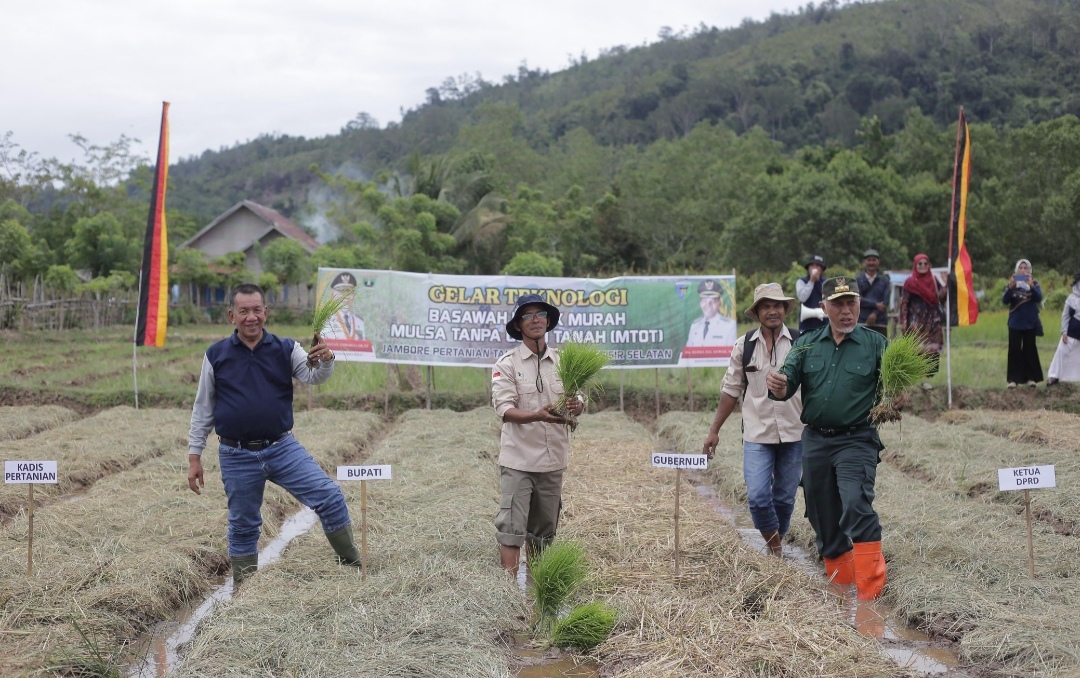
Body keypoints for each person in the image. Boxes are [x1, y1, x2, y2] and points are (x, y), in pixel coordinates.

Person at [187, 283, 362, 583]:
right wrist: (195, 456)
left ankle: (352, 565)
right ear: (232, 315)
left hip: (281, 448)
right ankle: (244, 589)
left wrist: (326, 360)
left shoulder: (286, 348)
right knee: (243, 525)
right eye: (244, 311)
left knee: (330, 497)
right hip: (236, 455)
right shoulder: (216, 354)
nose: (251, 317)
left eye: (257, 310)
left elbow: (313, 375)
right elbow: (203, 407)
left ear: (265, 312)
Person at [766, 276, 892, 602]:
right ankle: (840, 589)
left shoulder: (877, 344)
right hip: (816, 441)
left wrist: (897, 396)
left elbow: (896, 386)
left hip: (856, 439)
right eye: (838, 304)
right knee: (821, 514)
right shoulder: (806, 343)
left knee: (855, 503)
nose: (846, 311)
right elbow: (786, 382)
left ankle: (870, 597)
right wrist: (779, 386)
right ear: (823, 307)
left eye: (852, 303)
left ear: (860, 304)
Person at [702, 283, 804, 558]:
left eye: (777, 305)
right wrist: (714, 430)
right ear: (757, 312)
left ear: (785, 310)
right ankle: (776, 549)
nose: (772, 311)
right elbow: (730, 390)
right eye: (766, 306)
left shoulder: (801, 343)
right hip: (757, 433)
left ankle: (774, 552)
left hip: (795, 432)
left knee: (784, 499)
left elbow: (815, 386)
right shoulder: (744, 346)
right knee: (758, 498)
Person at [491, 294, 583, 577]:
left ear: (548, 321)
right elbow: (504, 409)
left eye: (540, 314)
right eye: (527, 315)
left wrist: (577, 405)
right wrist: (537, 415)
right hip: (518, 460)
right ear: (518, 325)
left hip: (553, 461)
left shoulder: (564, 361)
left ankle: (535, 592)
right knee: (511, 530)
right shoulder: (507, 364)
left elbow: (579, 400)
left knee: (543, 534)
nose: (535, 320)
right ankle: (507, 595)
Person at [898, 254, 947, 381]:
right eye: (920, 263)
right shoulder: (910, 282)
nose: (923, 266)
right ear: (915, 265)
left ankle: (930, 380)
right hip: (916, 323)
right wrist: (903, 322)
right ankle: (918, 381)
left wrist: (947, 285)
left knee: (932, 351)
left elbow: (941, 298)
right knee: (917, 350)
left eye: (926, 263)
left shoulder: (934, 280)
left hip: (933, 322)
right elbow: (904, 303)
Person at [1003, 259, 1044, 388]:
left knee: (1029, 350)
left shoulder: (1035, 284)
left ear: (1029, 270)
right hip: (1015, 322)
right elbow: (1005, 300)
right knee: (1014, 350)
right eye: (1020, 268)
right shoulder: (1012, 284)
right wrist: (1010, 287)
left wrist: (1031, 286)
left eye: (1025, 268)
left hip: (1029, 323)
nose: (1023, 270)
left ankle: (1030, 378)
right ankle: (1013, 380)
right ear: (1016, 270)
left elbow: (1038, 298)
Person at [1047, 272, 1080, 385]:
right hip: (1071, 331)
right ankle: (1054, 376)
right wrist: (1064, 331)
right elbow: (1065, 316)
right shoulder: (1071, 298)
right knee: (1062, 352)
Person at [685, 279, 737, 347]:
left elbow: (732, 352)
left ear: (719, 303)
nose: (708, 305)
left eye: (713, 301)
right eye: (704, 301)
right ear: (700, 303)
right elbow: (688, 352)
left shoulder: (729, 326)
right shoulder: (695, 326)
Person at [856, 249, 891, 336]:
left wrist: (875, 313)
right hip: (862, 321)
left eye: (874, 260)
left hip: (880, 322)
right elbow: (857, 299)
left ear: (878, 262)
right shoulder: (857, 280)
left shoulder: (885, 280)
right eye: (869, 260)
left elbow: (885, 302)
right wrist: (876, 304)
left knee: (880, 344)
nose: (871, 263)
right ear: (864, 262)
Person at [323, 271, 365, 341]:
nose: (345, 296)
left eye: (349, 292)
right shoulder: (326, 321)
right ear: (332, 295)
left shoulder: (359, 322)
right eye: (341, 291)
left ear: (354, 296)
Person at [796, 255, 827, 333]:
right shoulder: (801, 281)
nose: (814, 268)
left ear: (822, 269)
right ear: (808, 268)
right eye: (812, 265)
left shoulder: (826, 283)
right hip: (806, 325)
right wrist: (811, 281)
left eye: (817, 266)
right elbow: (802, 298)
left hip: (824, 324)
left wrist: (818, 282)